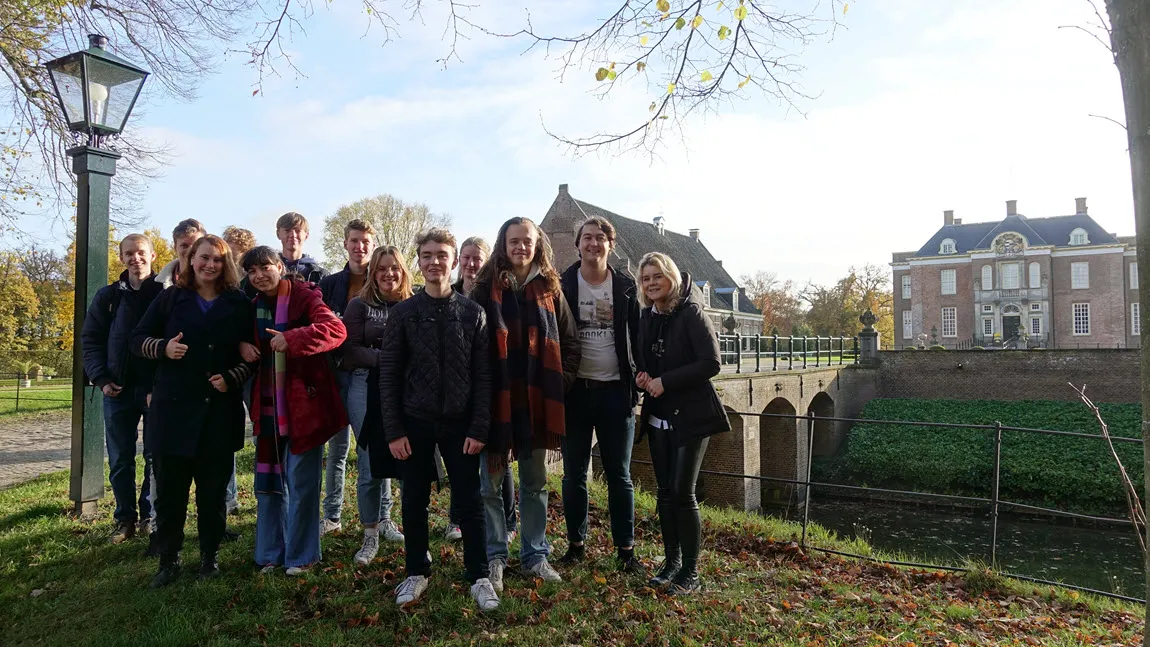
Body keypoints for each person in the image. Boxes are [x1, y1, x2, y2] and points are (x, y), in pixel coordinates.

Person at [377, 228, 499, 611]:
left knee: (470, 500)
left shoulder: (472, 313)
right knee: (414, 499)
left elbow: (484, 376)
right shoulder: (403, 314)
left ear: (453, 260)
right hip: (414, 421)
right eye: (427, 255)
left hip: (461, 424)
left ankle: (479, 575)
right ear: (418, 261)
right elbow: (389, 375)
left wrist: (480, 426)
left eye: (441, 255)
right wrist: (394, 431)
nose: (434, 262)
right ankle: (416, 570)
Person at [131, 235, 255, 588]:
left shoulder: (239, 302)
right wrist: (163, 348)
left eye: (217, 259)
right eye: (203, 258)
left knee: (213, 494)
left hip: (218, 411)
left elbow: (251, 355)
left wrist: (232, 376)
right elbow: (137, 339)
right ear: (191, 260)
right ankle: (168, 561)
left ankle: (209, 558)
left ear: (226, 263)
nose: (209, 265)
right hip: (173, 411)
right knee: (170, 494)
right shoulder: (170, 298)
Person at [472, 217, 580, 592]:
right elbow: (471, 345)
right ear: (503, 244)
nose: (521, 247)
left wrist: (559, 382)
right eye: (514, 241)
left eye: (527, 241)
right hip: (497, 399)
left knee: (535, 483)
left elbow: (569, 341)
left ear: (538, 245)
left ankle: (535, 554)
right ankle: (495, 555)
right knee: (490, 484)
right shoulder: (484, 288)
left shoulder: (550, 286)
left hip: (537, 399)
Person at [242, 246, 348, 576]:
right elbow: (247, 346)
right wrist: (241, 344)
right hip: (269, 407)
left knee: (301, 484)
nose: (259, 275)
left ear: (280, 267)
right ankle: (270, 553)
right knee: (270, 484)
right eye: (252, 271)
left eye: (265, 267)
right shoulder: (255, 307)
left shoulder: (304, 297)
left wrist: (293, 338)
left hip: (304, 406)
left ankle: (302, 556)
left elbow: (336, 330)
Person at [634, 252, 730, 595]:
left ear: (670, 276)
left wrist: (666, 382)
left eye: (657, 276)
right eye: (645, 278)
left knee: (682, 492)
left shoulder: (690, 312)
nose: (651, 283)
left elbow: (711, 362)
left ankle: (691, 571)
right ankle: (671, 561)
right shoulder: (647, 317)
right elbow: (644, 360)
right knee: (663, 492)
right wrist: (643, 376)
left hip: (691, 414)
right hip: (658, 414)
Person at [557, 217, 641, 572]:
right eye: (586, 238)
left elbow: (639, 334)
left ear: (611, 245)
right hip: (575, 392)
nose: (593, 243)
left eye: (600, 238)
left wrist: (640, 381)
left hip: (614, 392)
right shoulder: (561, 284)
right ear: (577, 245)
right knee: (573, 473)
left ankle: (626, 550)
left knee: (619, 474)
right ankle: (576, 544)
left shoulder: (625, 286)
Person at [81, 233, 165, 546]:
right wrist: (101, 379)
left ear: (153, 256)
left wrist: (160, 385)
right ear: (121, 258)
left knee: (155, 457)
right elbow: (91, 340)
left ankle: (148, 515)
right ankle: (124, 519)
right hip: (116, 391)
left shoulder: (165, 294)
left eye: (141, 252)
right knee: (120, 459)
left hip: (154, 392)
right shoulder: (108, 297)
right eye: (128, 253)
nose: (135, 258)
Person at [338, 244, 412, 564]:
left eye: (393, 268)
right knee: (369, 463)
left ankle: (386, 519)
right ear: (373, 272)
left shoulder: (413, 304)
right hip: (364, 387)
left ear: (403, 271)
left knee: (400, 456)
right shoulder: (359, 306)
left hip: (403, 390)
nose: (388, 274)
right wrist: (391, 359)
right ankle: (369, 535)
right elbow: (350, 351)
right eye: (381, 268)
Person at [444, 236, 517, 545]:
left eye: (478, 258)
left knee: (498, 456)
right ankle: (457, 519)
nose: (472, 264)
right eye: (467, 257)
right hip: (459, 387)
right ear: (459, 260)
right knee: (460, 456)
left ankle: (509, 522)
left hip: (492, 383)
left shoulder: (496, 293)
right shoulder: (449, 294)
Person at [317, 219, 377, 535]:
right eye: (354, 240)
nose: (359, 246)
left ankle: (382, 518)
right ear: (346, 244)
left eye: (365, 241)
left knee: (372, 449)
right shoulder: (330, 285)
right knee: (337, 450)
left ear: (372, 244)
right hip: (336, 375)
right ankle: (332, 516)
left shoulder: (381, 281)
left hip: (369, 378)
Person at [276, 212, 328, 284]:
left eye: (297, 231)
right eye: (287, 230)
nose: (293, 235)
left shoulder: (321, 275)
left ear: (306, 235)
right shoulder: (268, 271)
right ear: (278, 234)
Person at [155, 219, 206, 287]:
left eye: (196, 245)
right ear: (175, 248)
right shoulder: (153, 286)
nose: (190, 250)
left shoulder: (217, 285)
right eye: (184, 245)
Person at [223, 226, 259, 299]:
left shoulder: (253, 276)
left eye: (230, 251)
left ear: (245, 251)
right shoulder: (220, 274)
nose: (226, 254)